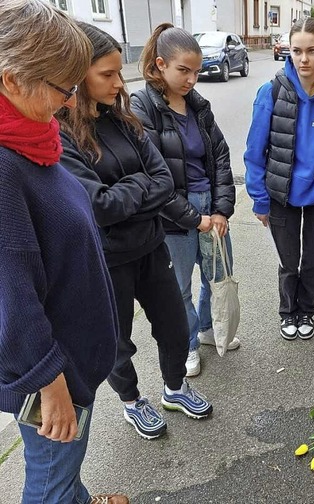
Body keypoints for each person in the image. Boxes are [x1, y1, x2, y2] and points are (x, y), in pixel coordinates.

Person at [56, 23, 212, 441]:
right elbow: (99, 208)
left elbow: (162, 179)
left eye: (117, 72)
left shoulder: (122, 118)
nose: (117, 82)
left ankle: (175, 388)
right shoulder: (63, 134)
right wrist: (139, 186)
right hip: (107, 261)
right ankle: (131, 402)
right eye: (106, 74)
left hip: (149, 244)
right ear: (77, 76)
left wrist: (131, 190)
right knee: (117, 342)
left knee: (175, 327)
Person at [0, 2, 128, 502]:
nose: (73, 101)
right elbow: (11, 298)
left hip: (73, 362)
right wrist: (47, 382)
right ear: (12, 79)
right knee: (50, 481)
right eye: (64, 88)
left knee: (63, 470)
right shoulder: (6, 169)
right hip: (54, 375)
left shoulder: (33, 138)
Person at [131, 23, 237, 378]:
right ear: (160, 64)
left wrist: (221, 209)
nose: (193, 79)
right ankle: (188, 344)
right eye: (184, 70)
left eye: (196, 70)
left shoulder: (197, 105)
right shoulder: (142, 106)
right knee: (180, 290)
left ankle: (207, 330)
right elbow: (152, 177)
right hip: (173, 216)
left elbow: (220, 155)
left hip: (210, 205)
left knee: (217, 275)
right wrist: (194, 218)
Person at [244, 17, 314, 340]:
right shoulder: (272, 92)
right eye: (296, 51)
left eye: (311, 50)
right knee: (289, 262)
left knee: (313, 263)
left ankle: (306, 310)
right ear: (289, 52)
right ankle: (287, 312)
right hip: (281, 195)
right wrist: (259, 199)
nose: (304, 59)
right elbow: (255, 152)